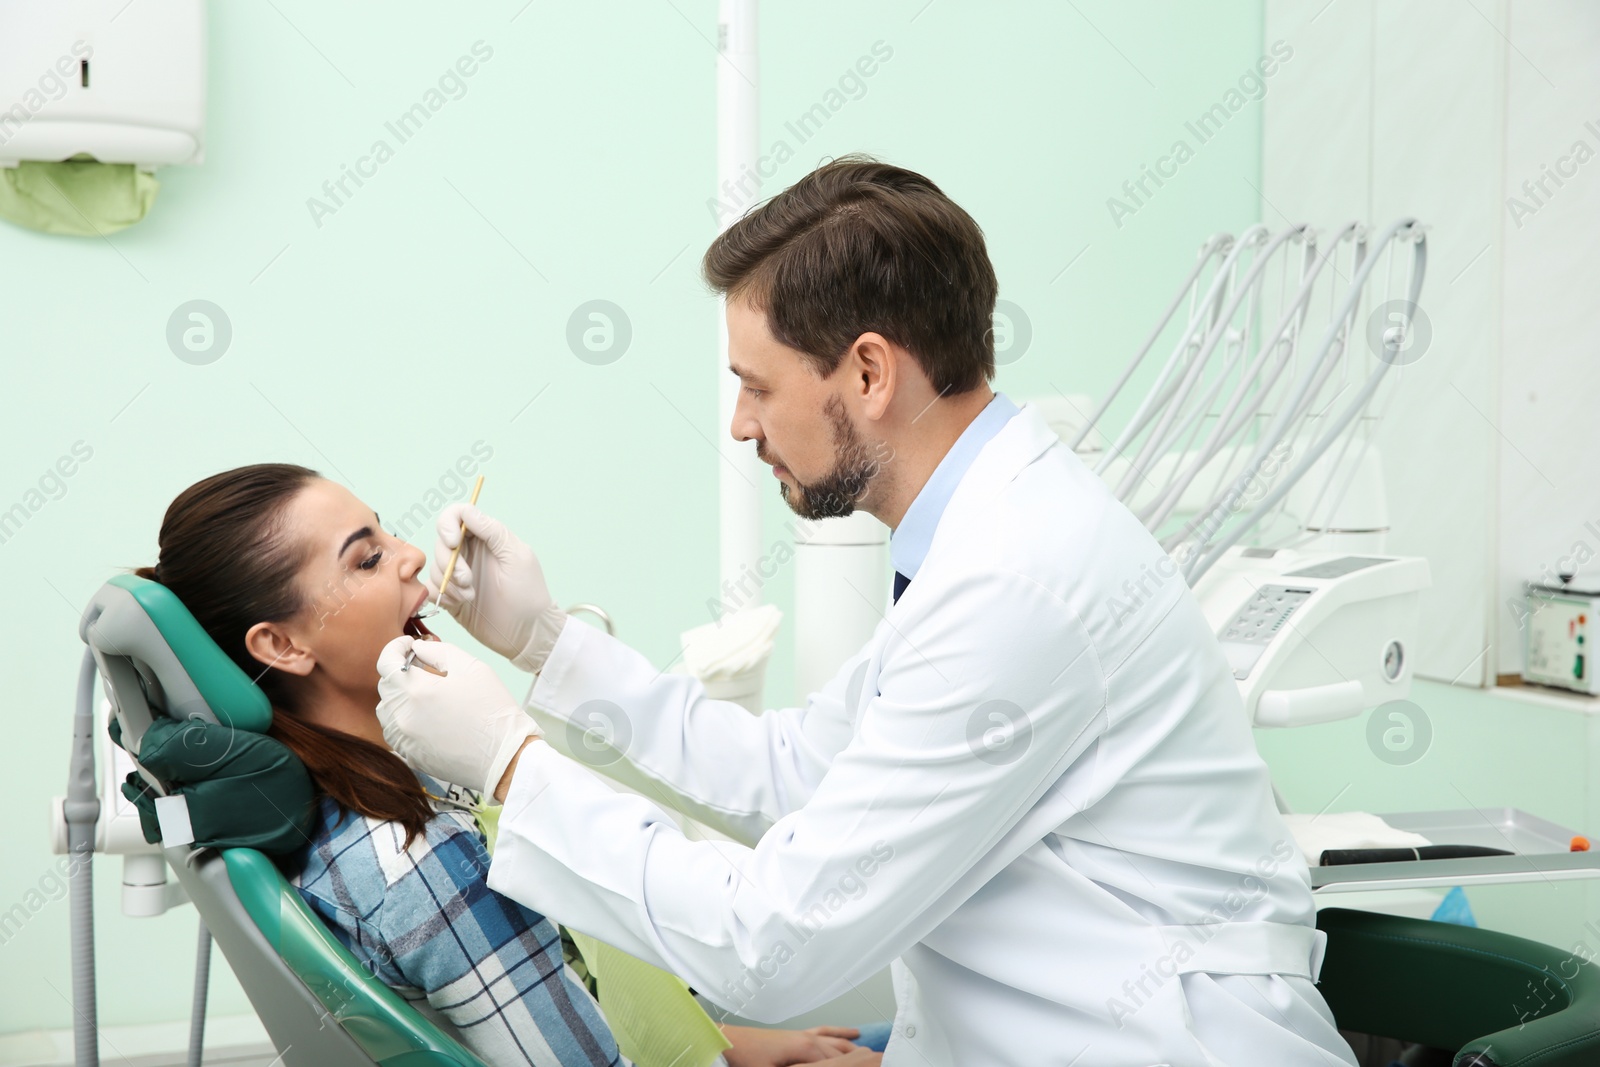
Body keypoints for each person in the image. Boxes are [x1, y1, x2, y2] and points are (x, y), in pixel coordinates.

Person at [376, 157, 1359, 1066]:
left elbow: (777, 945)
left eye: (757, 385)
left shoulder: (1014, 582)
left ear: (869, 373)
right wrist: (546, 642)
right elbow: (802, 768)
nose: (740, 423)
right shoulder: (980, 536)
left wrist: (511, 759)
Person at [135, 463, 883, 1067]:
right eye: (366, 558)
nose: (414, 555)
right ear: (282, 646)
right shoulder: (418, 858)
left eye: (387, 533)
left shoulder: (397, 789)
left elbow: (576, 991)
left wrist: (729, 1048)